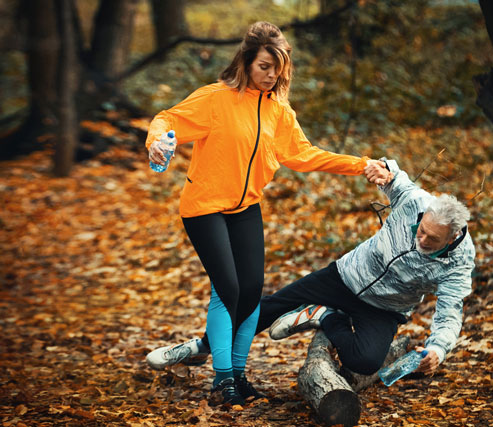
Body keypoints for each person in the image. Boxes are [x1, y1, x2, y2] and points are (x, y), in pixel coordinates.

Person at [144, 21, 388, 407]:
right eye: (264, 67)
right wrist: (157, 140)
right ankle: (222, 381)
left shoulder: (279, 111)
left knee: (252, 292)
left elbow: (305, 154)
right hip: (204, 207)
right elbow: (168, 118)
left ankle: (239, 375)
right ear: (245, 62)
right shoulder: (215, 99)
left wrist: (362, 165)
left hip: (245, 209)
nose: (271, 75)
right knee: (228, 289)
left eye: (277, 68)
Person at [257, 159, 475, 377]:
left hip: (385, 307)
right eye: (422, 229)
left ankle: (324, 315)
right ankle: (227, 366)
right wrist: (384, 169)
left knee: (365, 362)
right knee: (268, 308)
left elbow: (450, 313)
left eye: (433, 238)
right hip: (346, 276)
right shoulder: (415, 202)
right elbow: (395, 177)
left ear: (451, 238)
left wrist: (438, 349)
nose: (422, 239)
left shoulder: (459, 262)